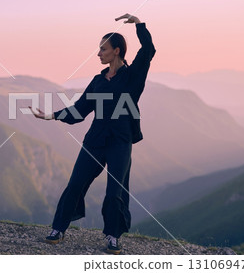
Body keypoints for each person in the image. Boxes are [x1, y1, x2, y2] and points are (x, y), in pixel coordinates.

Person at [29, 13, 156, 254]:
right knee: (75, 184)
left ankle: (113, 236)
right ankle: (59, 229)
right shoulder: (98, 81)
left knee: (115, 192)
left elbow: (148, 49)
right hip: (95, 141)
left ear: (116, 51)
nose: (98, 53)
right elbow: (80, 110)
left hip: (120, 141)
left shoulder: (132, 77)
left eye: (103, 49)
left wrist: (139, 24)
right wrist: (51, 115)